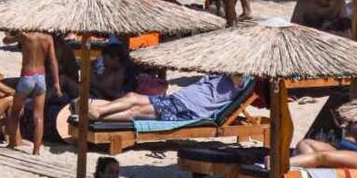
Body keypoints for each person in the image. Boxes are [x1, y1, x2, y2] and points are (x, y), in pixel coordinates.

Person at [87, 71, 245, 126]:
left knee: (135, 111)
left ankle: (97, 116)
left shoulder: (241, 80)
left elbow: (237, 77)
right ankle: (99, 111)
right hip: (178, 99)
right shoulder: (219, 73)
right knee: (132, 97)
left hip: (188, 110)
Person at [6, 30, 59, 155]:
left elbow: (6, 41)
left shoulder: (25, 36)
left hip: (27, 76)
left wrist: (14, 34)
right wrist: (56, 83)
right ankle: (36, 150)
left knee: (15, 111)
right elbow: (53, 61)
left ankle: (12, 142)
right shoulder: (48, 38)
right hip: (41, 77)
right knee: (39, 116)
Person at [290, 118, 357, 170]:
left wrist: (351, 139)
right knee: (305, 143)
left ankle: (281, 167)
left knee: (322, 156)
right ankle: (311, 173)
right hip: (345, 148)